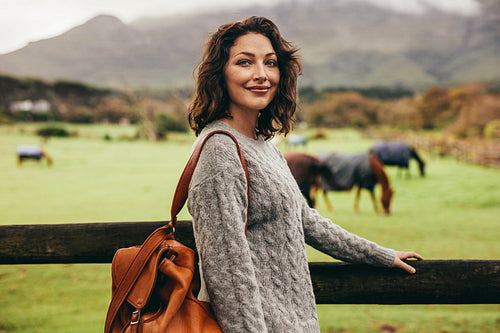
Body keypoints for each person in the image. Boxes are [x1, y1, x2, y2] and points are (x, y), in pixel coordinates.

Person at [186, 16, 423, 333]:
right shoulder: (220, 151)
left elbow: (307, 221)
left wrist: (380, 255)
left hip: (295, 323)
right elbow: (226, 271)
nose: (261, 75)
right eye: (244, 62)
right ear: (220, 74)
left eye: (270, 63)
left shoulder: (265, 147)